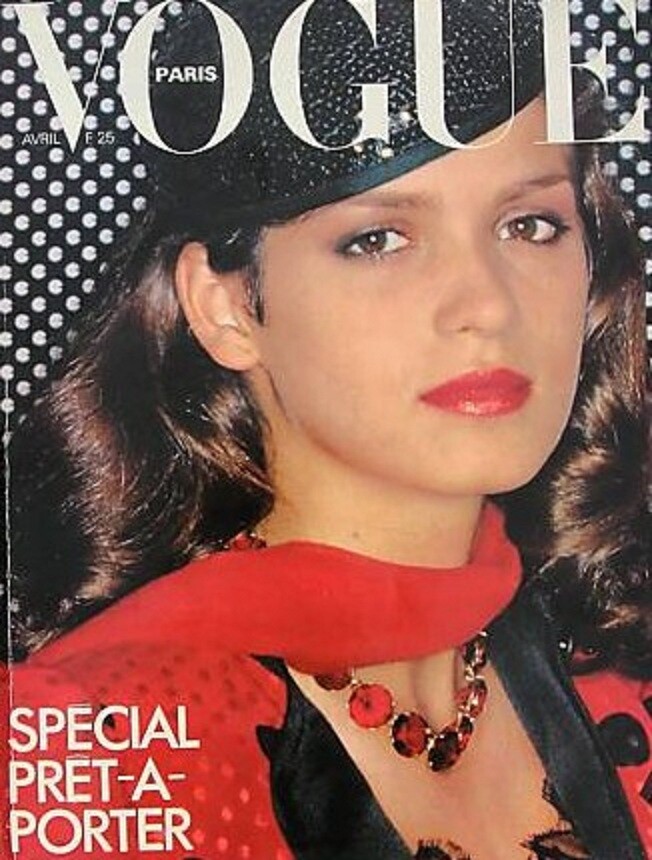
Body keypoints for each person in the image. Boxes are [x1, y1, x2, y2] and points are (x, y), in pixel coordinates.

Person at [4, 1, 650, 858]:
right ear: (227, 307)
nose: (488, 305)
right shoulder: (99, 744)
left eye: (529, 226)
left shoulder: (618, 675)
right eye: (379, 239)